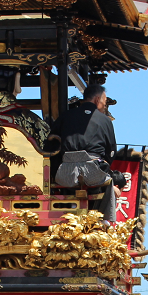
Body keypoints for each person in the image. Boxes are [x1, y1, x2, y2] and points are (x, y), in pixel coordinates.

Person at [50, 84, 118, 220]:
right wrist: (103, 164)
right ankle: (105, 220)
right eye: (104, 102)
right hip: (93, 172)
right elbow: (111, 151)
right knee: (109, 182)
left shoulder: (65, 116)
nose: (104, 105)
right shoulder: (105, 120)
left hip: (66, 173)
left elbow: (51, 143)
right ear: (97, 99)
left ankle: (64, 213)